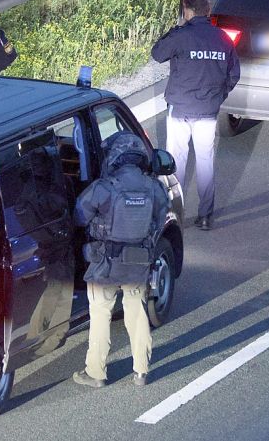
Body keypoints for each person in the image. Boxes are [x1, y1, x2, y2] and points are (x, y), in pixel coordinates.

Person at [72, 132, 170, 388]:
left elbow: (79, 216)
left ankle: (96, 373)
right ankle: (141, 371)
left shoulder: (104, 188)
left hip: (105, 264)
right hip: (138, 262)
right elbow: (160, 221)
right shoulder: (155, 188)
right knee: (137, 313)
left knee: (101, 314)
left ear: (114, 158)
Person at [151, 0, 240, 230]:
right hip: (208, 111)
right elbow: (234, 75)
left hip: (180, 109)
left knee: (175, 162)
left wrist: (174, 30)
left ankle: (175, 215)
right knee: (205, 161)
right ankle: (205, 216)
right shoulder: (223, 38)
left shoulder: (181, 36)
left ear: (188, 11)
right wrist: (218, 97)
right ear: (207, 12)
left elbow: (157, 54)